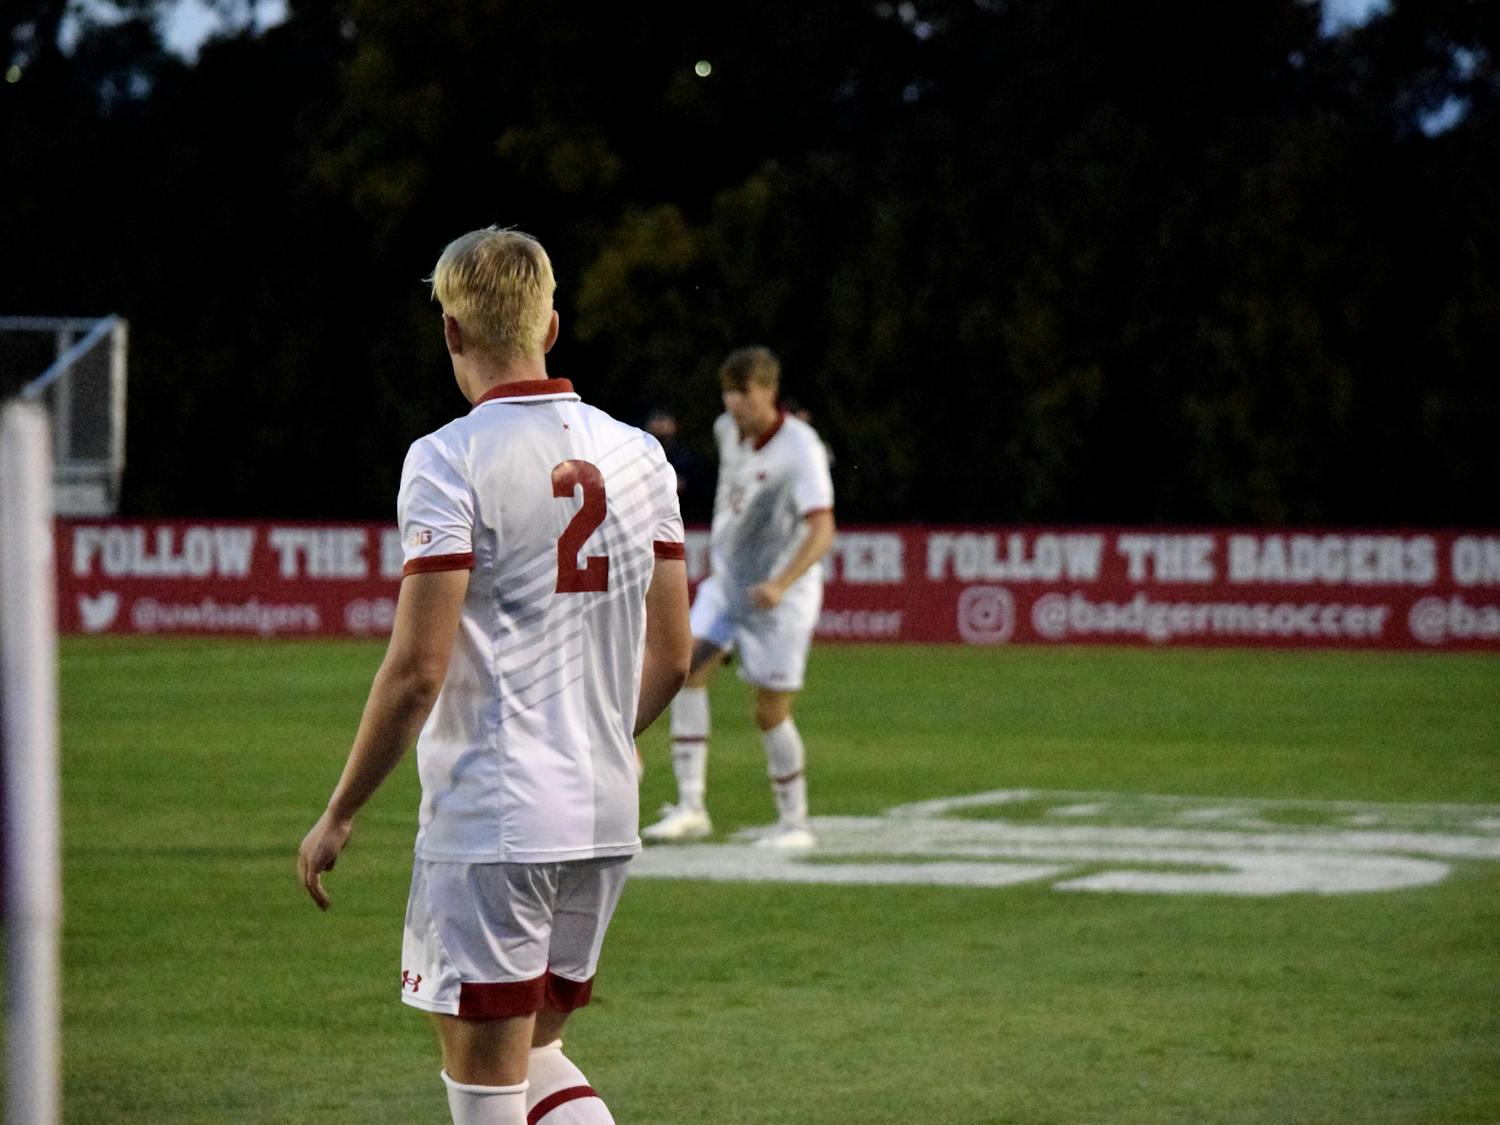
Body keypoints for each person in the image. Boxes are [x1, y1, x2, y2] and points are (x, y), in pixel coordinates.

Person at [297, 227, 691, 1125]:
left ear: (450, 332)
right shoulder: (641, 454)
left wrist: (343, 809)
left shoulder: (447, 458)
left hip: (496, 820)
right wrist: (601, 737)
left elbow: (415, 670)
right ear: (552, 322)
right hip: (603, 811)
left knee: (484, 1086)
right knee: (537, 1055)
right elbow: (671, 656)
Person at [641, 346, 835, 849]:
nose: (733, 403)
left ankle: (795, 824)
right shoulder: (727, 431)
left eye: (743, 392)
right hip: (727, 587)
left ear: (768, 392)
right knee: (686, 671)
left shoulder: (801, 450)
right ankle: (690, 807)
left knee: (769, 710)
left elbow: (822, 528)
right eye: (727, 391)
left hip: (779, 600)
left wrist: (781, 583)